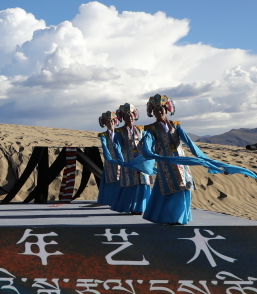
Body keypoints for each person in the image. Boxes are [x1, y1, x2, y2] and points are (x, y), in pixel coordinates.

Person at [123, 94, 257, 225]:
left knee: (183, 186)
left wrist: (203, 158)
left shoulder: (176, 125)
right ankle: (168, 216)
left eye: (161, 109)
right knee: (169, 187)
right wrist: (149, 152)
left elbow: (189, 143)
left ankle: (179, 217)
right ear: (152, 112)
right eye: (155, 110)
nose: (158, 112)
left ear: (166, 110)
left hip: (181, 160)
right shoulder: (151, 129)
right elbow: (147, 144)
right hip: (165, 162)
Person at [109, 104, 152, 214]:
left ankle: (141, 207)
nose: (130, 118)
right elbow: (117, 146)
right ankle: (130, 207)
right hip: (128, 160)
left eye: (131, 115)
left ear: (135, 116)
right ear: (123, 118)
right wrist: (121, 159)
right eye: (127, 116)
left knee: (142, 181)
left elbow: (147, 142)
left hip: (141, 160)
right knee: (130, 182)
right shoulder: (119, 131)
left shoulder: (141, 129)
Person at [96, 111, 121, 207]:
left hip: (120, 158)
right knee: (110, 178)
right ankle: (110, 199)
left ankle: (119, 198)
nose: (110, 123)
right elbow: (104, 146)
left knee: (120, 177)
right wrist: (108, 157)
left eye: (111, 121)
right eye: (108, 121)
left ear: (115, 122)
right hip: (110, 159)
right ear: (105, 123)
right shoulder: (104, 135)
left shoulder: (119, 133)